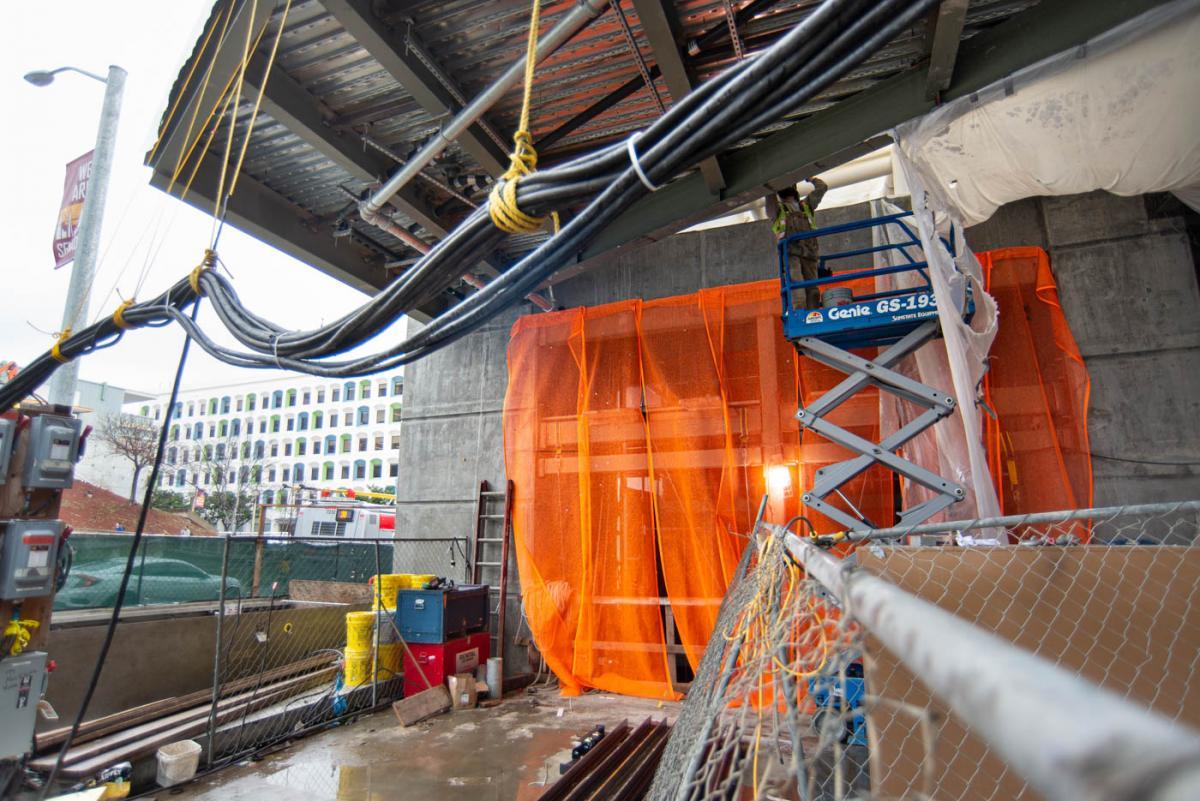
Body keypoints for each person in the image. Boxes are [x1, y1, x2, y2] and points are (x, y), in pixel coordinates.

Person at [768, 178, 828, 310]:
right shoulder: (777, 209)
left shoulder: (806, 205)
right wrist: (771, 184)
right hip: (791, 255)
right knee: (797, 289)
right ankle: (800, 316)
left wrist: (810, 178)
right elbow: (768, 197)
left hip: (810, 255)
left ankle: (813, 317)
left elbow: (822, 187)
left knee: (813, 291)